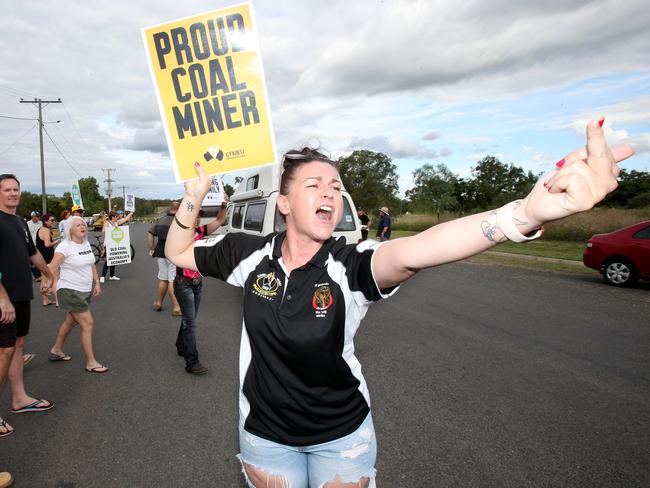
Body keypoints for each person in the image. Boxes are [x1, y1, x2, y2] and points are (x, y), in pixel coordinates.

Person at [165, 119, 634, 487]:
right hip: (264, 437)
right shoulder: (249, 254)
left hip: (341, 439)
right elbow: (177, 251)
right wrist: (193, 199)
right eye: (314, 185)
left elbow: (420, 248)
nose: (330, 192)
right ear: (284, 204)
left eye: (335, 185)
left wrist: (525, 214)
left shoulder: (350, 265)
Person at [0, 174, 55, 445]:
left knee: (18, 345)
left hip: (21, 295)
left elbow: (32, 253)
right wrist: (2, 298)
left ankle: (19, 399)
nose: (13, 193)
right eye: (7, 189)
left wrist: (48, 274)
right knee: (4, 351)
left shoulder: (19, 221)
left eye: (16, 189)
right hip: (4, 298)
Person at [48, 216, 107, 373]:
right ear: (70, 229)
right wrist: (53, 286)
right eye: (78, 225)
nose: (82, 227)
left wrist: (97, 282)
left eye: (83, 224)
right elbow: (51, 268)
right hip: (70, 290)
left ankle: (56, 350)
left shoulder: (86, 243)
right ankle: (91, 362)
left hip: (84, 290)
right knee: (87, 323)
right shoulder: (64, 247)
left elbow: (90, 264)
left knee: (71, 321)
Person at [174, 205, 228, 375]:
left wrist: (224, 205)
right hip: (183, 284)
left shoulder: (201, 231)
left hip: (198, 283)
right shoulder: (178, 235)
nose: (197, 218)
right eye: (194, 215)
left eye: (199, 216)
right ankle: (192, 361)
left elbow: (220, 220)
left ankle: (180, 344)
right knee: (190, 322)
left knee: (190, 319)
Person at [148, 202, 181, 315]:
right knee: (172, 280)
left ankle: (158, 303)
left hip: (160, 251)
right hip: (174, 252)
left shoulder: (160, 220)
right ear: (179, 208)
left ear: (170, 208)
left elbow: (150, 233)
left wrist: (152, 248)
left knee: (163, 279)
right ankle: (176, 307)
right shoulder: (180, 220)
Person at [100, 211, 133, 283]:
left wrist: (131, 213)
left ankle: (112, 276)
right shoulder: (107, 223)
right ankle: (102, 276)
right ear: (112, 217)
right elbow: (103, 230)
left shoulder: (116, 222)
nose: (117, 218)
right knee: (109, 260)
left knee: (113, 260)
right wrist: (113, 229)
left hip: (115, 243)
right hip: (108, 244)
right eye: (116, 216)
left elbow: (125, 219)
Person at [36, 213, 60, 306]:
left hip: (42, 258)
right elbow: (47, 244)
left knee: (44, 279)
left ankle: (45, 300)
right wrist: (57, 241)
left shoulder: (41, 229)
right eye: (51, 220)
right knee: (56, 278)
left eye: (54, 220)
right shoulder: (45, 230)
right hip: (48, 257)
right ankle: (58, 301)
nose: (53, 222)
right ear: (45, 221)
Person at [27, 211, 43, 281]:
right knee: (31, 262)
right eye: (37, 216)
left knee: (38, 260)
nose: (38, 218)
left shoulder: (41, 223)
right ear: (32, 216)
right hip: (30, 244)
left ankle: (38, 276)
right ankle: (35, 274)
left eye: (39, 216)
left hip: (39, 244)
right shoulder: (27, 224)